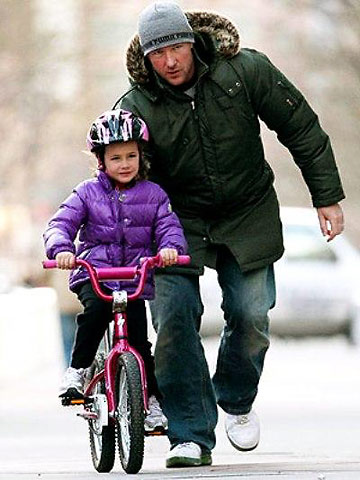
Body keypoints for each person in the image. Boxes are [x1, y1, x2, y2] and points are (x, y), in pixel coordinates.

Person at [113, 2, 345, 467]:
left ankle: (236, 400)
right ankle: (190, 434)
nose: (171, 61)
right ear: (146, 56)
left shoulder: (245, 71)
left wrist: (327, 196)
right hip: (177, 222)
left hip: (247, 210)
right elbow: (118, 176)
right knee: (175, 320)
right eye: (159, 54)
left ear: (193, 42)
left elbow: (300, 127)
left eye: (178, 47)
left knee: (251, 313)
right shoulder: (136, 106)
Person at [43, 108, 187, 433]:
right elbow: (60, 224)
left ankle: (149, 402)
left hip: (132, 278)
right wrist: (62, 250)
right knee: (95, 312)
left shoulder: (154, 195)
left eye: (131, 155)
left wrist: (170, 249)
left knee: (139, 341)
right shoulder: (86, 193)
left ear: (141, 155)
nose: (124, 164)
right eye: (116, 157)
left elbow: (169, 226)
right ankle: (78, 370)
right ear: (101, 161)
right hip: (94, 274)